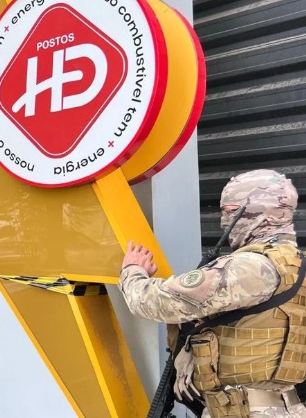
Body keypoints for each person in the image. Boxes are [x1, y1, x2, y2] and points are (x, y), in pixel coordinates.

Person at [118, 169, 306, 417]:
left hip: (244, 410)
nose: (224, 221)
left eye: (230, 211)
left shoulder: (250, 267)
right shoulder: (297, 265)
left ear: (253, 213)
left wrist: (133, 271)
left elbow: (155, 302)